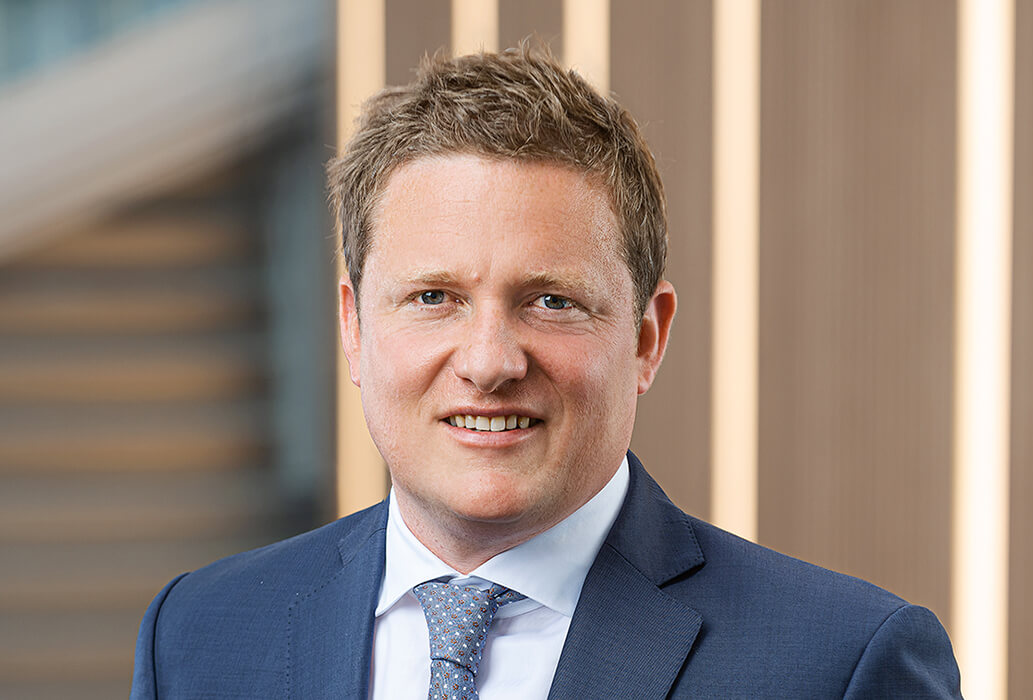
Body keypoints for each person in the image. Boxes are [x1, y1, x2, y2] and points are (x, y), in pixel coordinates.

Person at [130, 45, 962, 699]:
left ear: (646, 338)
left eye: (551, 301)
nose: (490, 362)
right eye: (434, 297)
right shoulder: (197, 638)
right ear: (353, 327)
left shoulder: (840, 667)